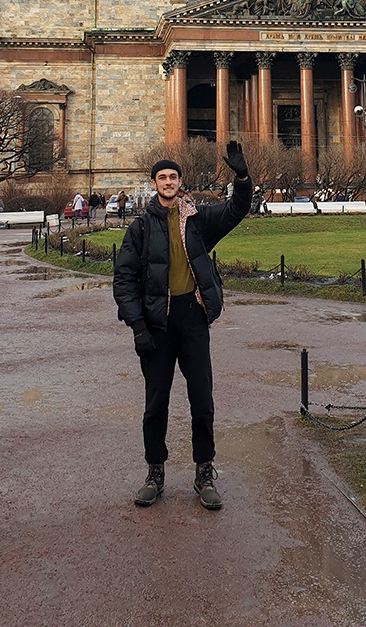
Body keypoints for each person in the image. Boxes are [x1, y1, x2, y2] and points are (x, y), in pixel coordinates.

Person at [113, 142, 252, 511]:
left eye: (173, 177)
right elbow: (124, 280)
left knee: (202, 399)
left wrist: (241, 177)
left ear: (180, 181)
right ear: (154, 183)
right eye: (162, 177)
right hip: (157, 324)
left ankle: (204, 472)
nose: (169, 182)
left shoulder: (199, 221)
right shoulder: (141, 228)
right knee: (155, 404)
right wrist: (138, 327)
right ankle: (154, 473)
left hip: (192, 317)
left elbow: (237, 210)